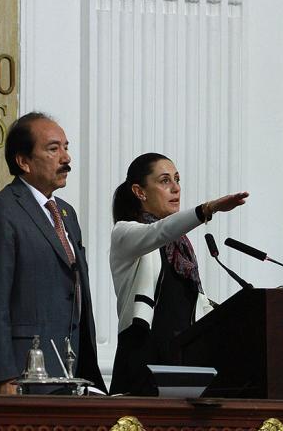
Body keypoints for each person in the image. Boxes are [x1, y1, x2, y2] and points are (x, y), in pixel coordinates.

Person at [0, 112, 105, 394]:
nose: (66, 158)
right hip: (24, 373)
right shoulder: (0, 211)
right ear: (23, 161)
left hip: (71, 371)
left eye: (66, 147)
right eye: (53, 149)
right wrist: (5, 375)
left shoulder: (66, 214)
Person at [109, 152, 249, 395]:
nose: (176, 188)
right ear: (139, 191)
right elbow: (159, 233)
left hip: (182, 361)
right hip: (144, 357)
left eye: (177, 179)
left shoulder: (182, 247)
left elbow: (199, 307)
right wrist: (208, 208)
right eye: (165, 181)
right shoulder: (126, 234)